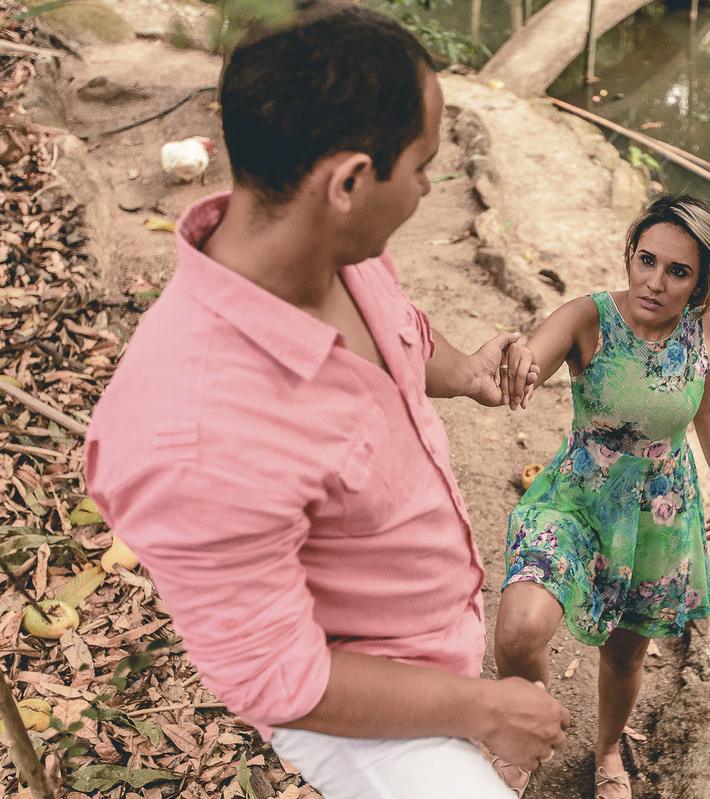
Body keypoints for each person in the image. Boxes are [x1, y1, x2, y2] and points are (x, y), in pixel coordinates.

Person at [82, 4, 568, 798]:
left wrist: (465, 371)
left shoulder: (340, 254)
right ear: (347, 182)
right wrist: (487, 709)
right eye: (421, 167)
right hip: (361, 715)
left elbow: (402, 332)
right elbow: (281, 676)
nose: (427, 188)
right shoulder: (189, 435)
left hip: (434, 645)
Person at [492, 193, 710, 799]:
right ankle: (529, 728)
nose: (654, 282)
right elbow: (535, 358)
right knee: (520, 629)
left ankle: (606, 749)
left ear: (701, 282)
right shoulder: (589, 319)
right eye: (646, 260)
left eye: (678, 271)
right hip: (577, 496)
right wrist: (518, 360)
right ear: (630, 253)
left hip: (659, 510)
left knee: (627, 654)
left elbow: (709, 406)